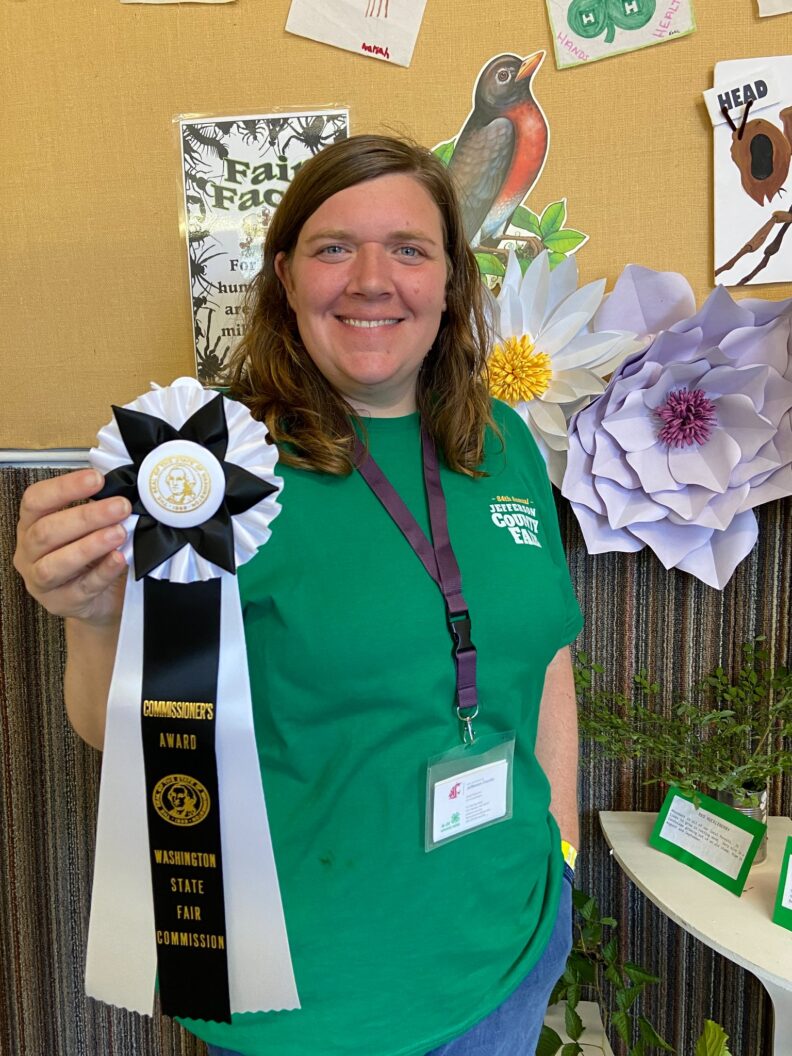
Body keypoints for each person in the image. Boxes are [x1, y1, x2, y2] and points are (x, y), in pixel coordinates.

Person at [14, 134, 582, 1056]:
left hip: (507, 953)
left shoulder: (505, 441)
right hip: (307, 995)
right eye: (332, 247)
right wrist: (91, 615)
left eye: (409, 248)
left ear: (450, 279)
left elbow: (547, 652)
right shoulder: (205, 471)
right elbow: (118, 727)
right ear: (285, 275)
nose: (370, 279)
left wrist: (557, 843)